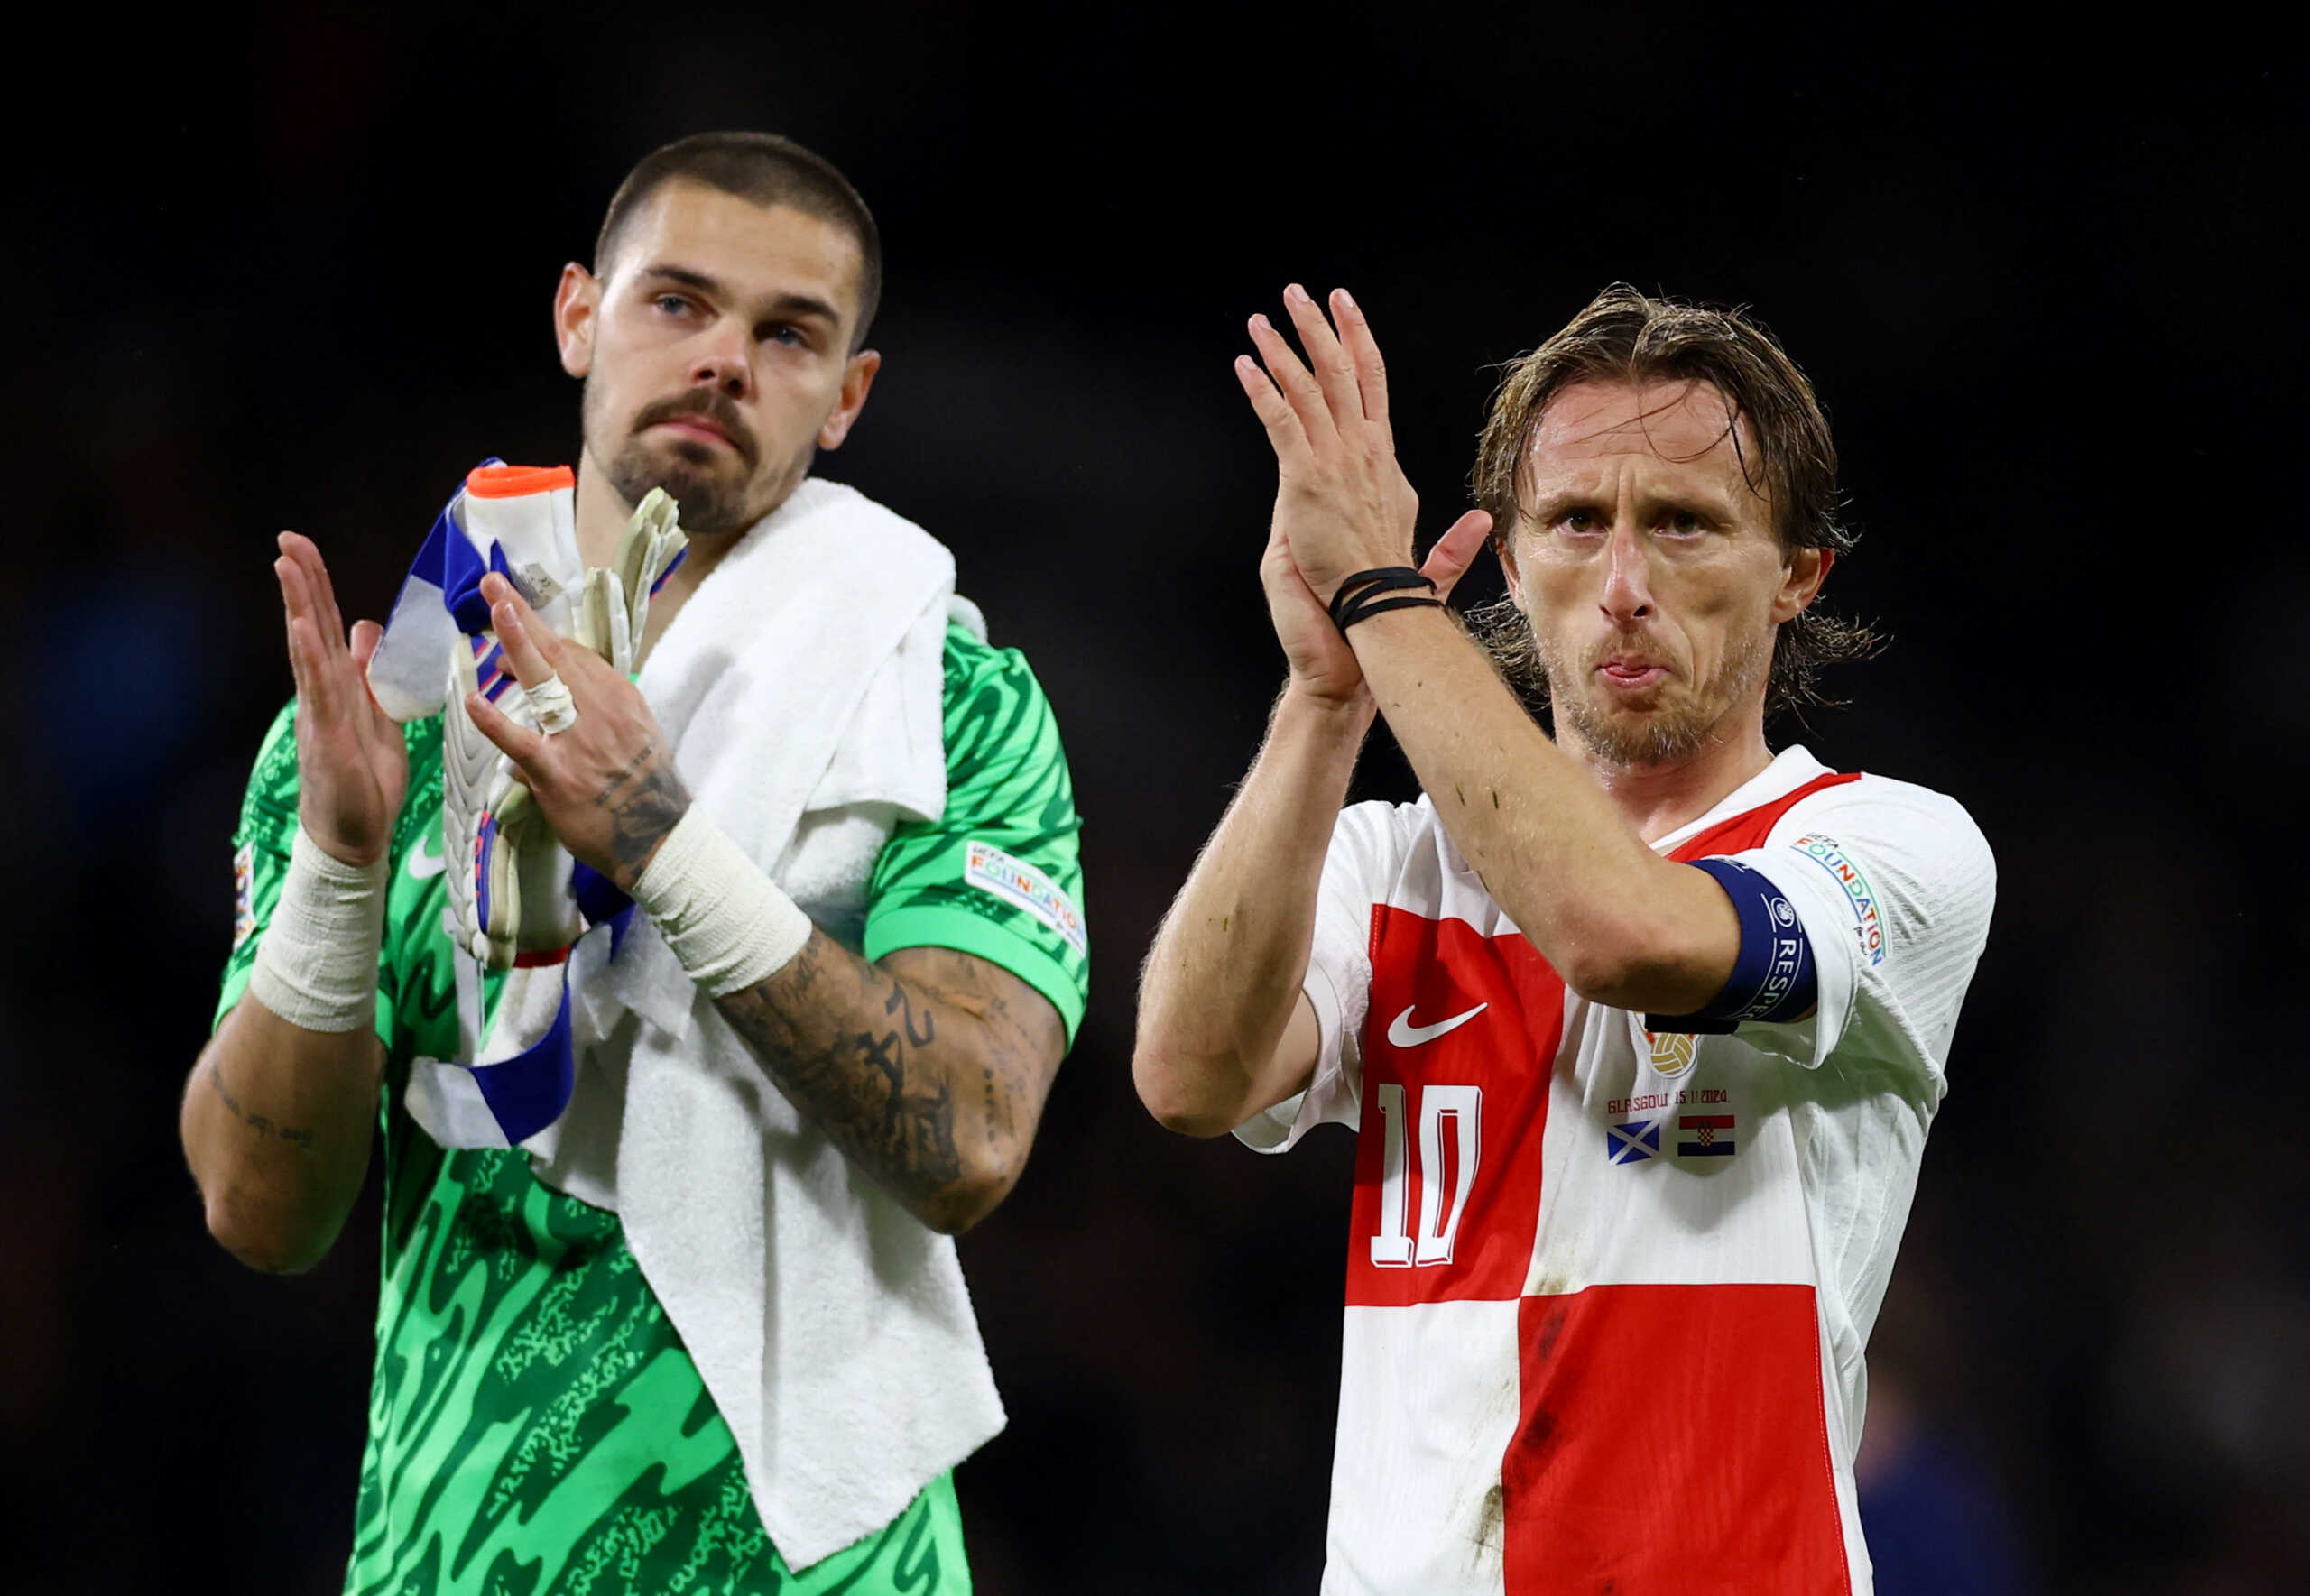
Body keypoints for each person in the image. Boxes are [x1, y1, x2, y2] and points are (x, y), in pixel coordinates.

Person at [180, 132, 1088, 1595]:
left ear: (848, 395)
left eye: (788, 333)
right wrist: (344, 871)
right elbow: (259, 1212)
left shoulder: (945, 704)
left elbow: (970, 1142)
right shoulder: (390, 714)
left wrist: (661, 838)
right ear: (576, 315)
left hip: (814, 1568)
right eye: (679, 302)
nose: (726, 358)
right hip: (451, 1549)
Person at [1134, 283, 1993, 1594]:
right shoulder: (1393, 859)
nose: (1625, 584)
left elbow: (1617, 932)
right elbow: (1189, 1076)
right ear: (1513, 565)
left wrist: (1381, 592)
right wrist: (1323, 699)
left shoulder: (1885, 851)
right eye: (1576, 522)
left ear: (1797, 578)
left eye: (1686, 524)